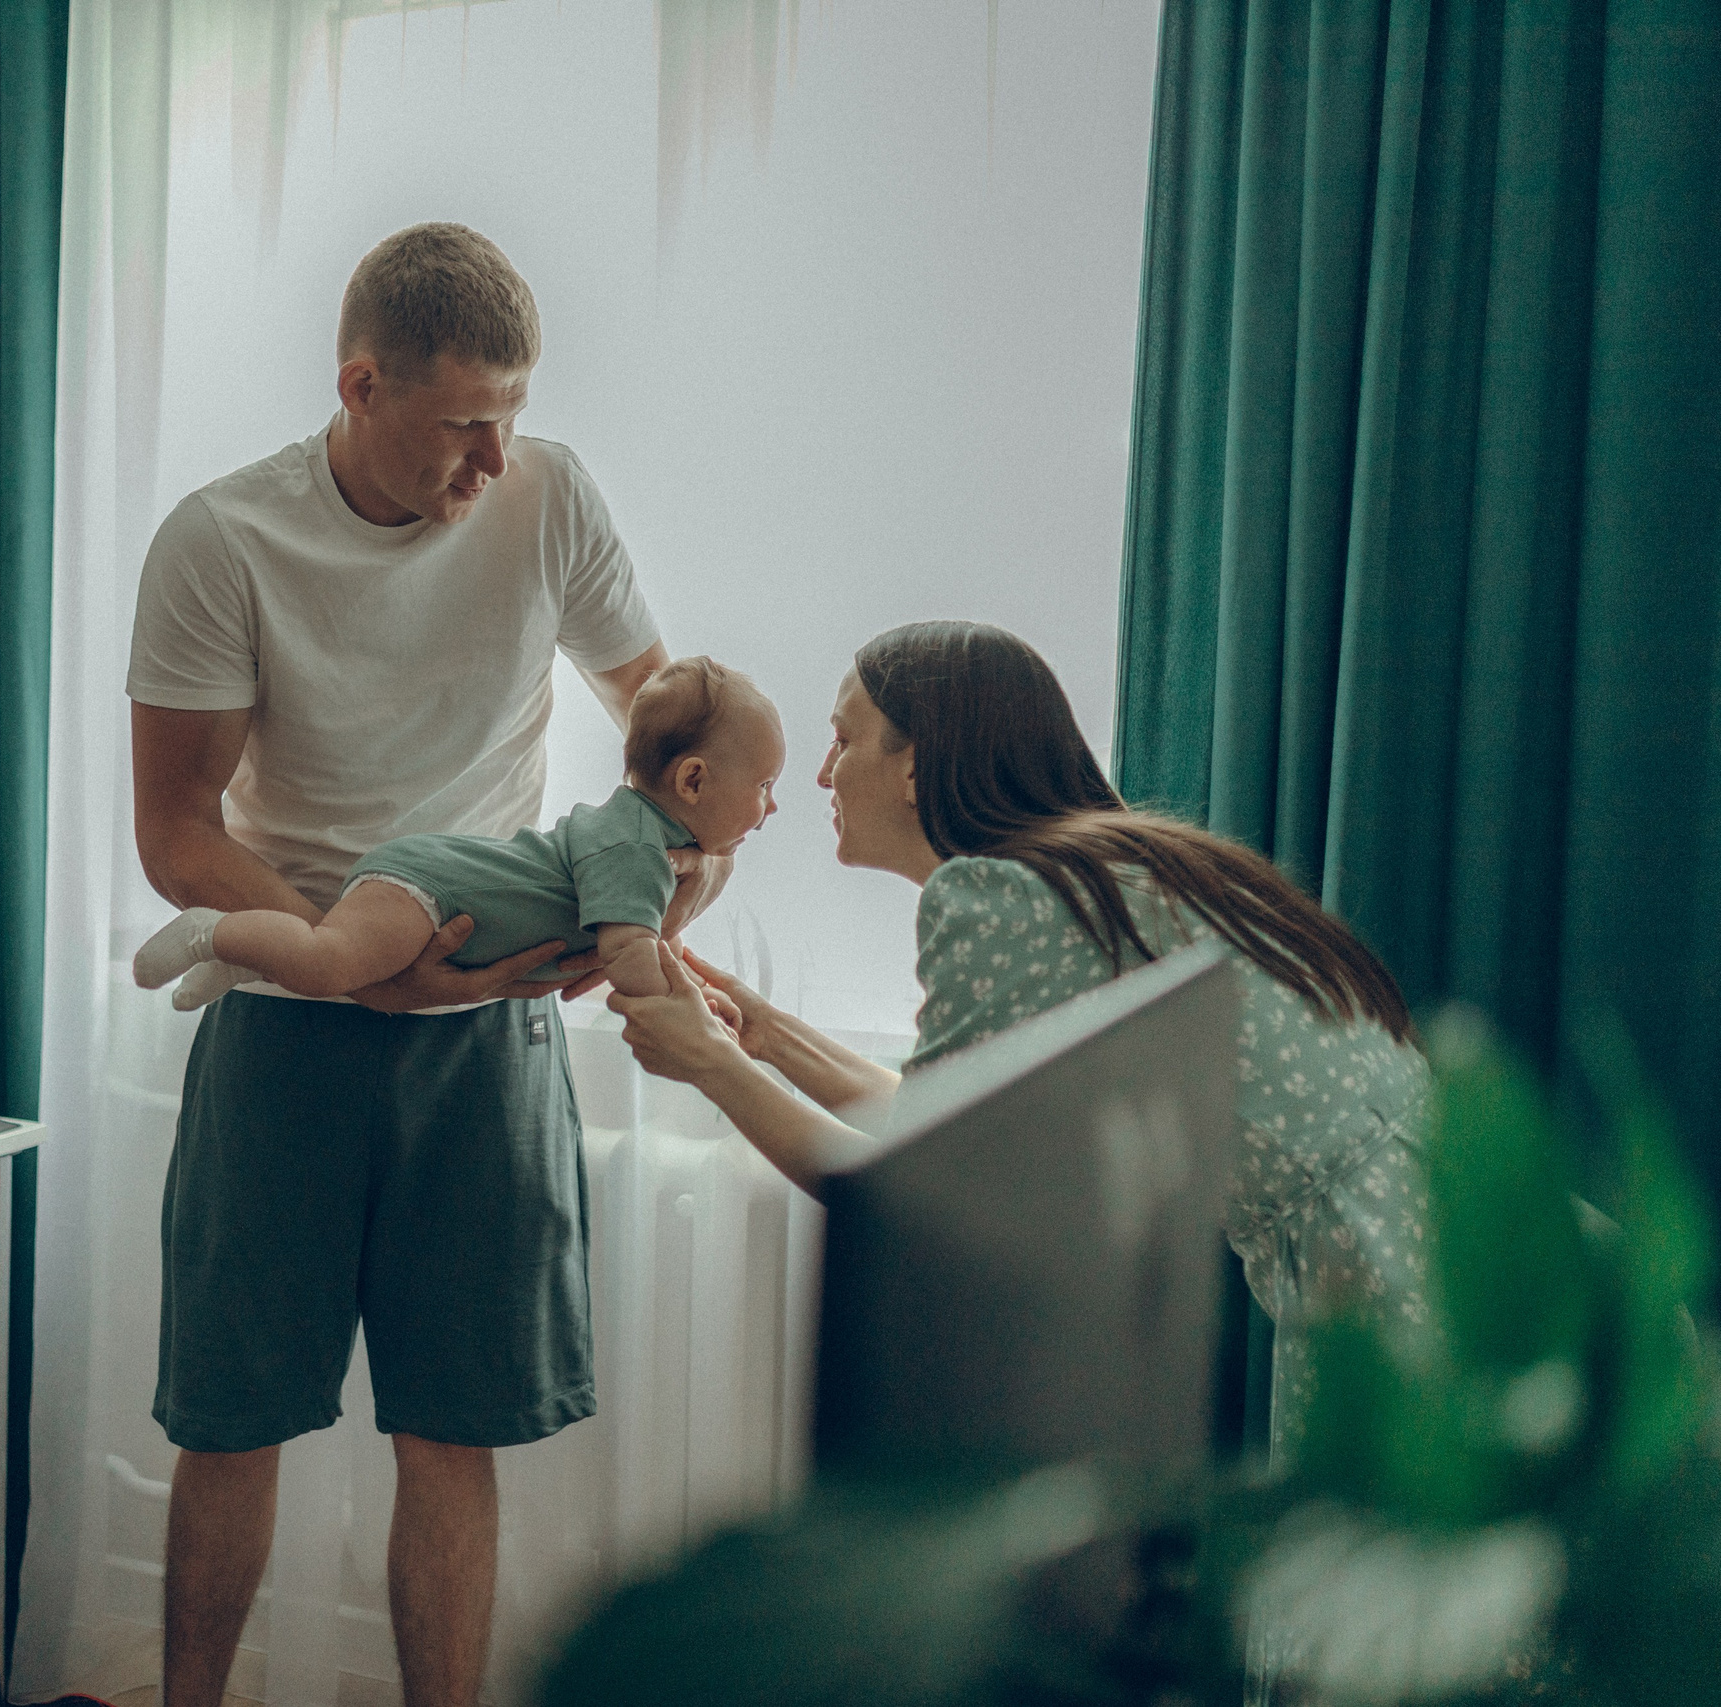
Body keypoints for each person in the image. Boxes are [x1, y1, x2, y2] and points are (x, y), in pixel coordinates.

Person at [128, 223, 720, 1707]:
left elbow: (670, 728)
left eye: (512, 415)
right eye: (464, 422)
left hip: (489, 1028)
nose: (493, 458)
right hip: (285, 1021)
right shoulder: (222, 538)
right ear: (360, 383)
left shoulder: (548, 495)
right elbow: (177, 829)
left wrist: (659, 903)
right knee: (231, 1414)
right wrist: (348, 965)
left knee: (456, 1423)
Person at [608, 619, 1430, 1446]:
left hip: (1387, 1276)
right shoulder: (1090, 874)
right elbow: (951, 1124)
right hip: (1431, 1219)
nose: (821, 774)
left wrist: (710, 1064)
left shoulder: (995, 898)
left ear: (915, 765)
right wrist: (766, 1034)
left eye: (843, 738)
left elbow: (912, 1191)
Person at [132, 657, 782, 1010]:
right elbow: (631, 956)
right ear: (692, 780)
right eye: (763, 786)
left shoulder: (645, 837)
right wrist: (684, 1010)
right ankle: (210, 930)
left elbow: (645, 942)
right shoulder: (635, 847)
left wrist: (692, 982)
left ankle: (241, 957)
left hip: (432, 877)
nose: (771, 808)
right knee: (331, 962)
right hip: (430, 889)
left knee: (321, 949)